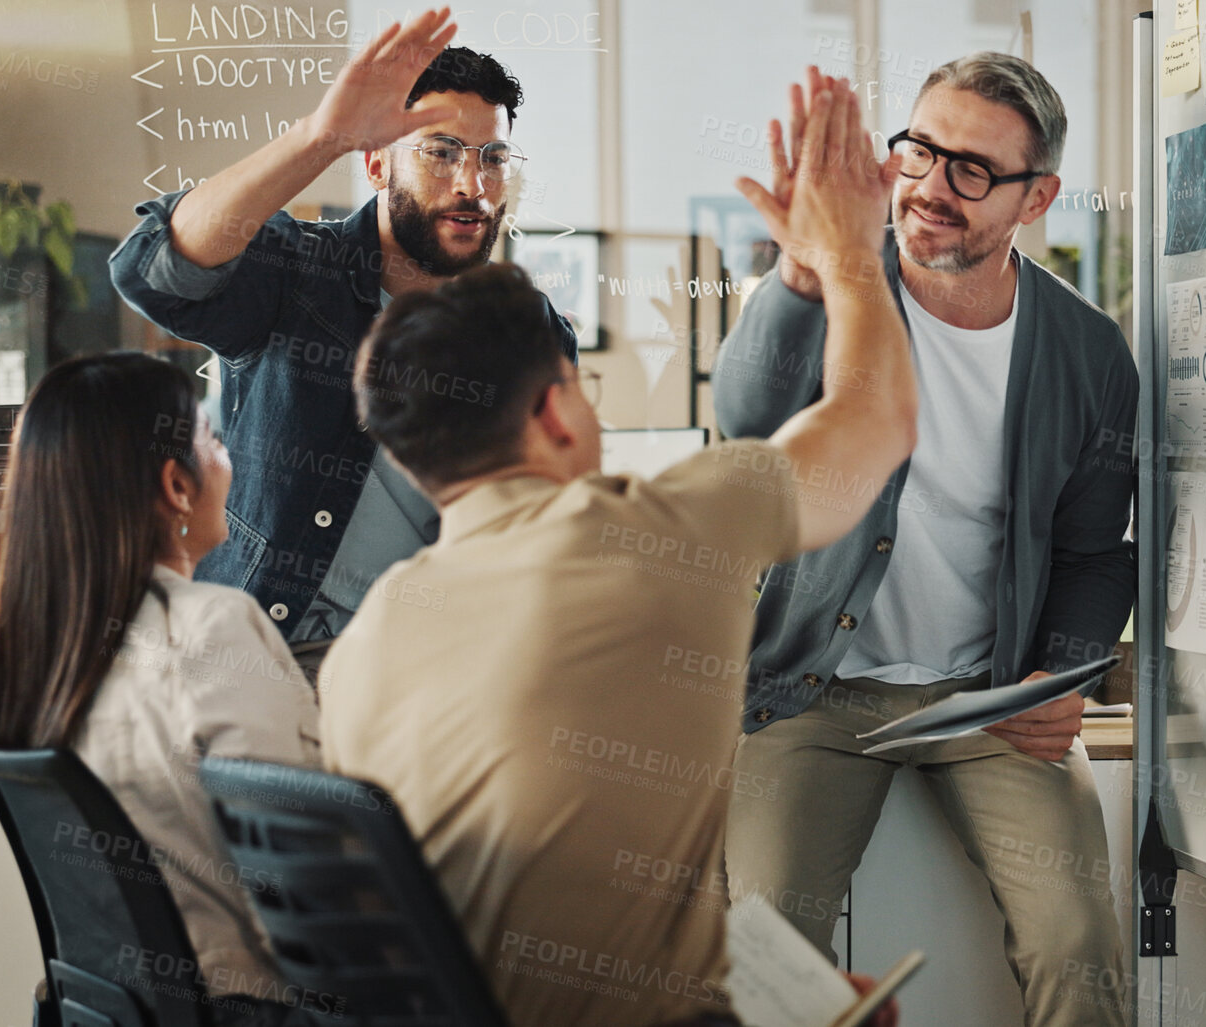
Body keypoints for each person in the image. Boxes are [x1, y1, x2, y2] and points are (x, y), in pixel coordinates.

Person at [318, 77, 908, 1027]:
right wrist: (849, 255)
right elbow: (875, 418)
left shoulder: (367, 640)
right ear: (555, 410)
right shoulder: (658, 533)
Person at [715, 56, 1138, 1026]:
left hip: (986, 696)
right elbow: (747, 413)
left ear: (1039, 200)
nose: (932, 188)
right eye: (920, 150)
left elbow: (1092, 550)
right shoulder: (841, 294)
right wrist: (801, 272)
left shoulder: (1088, 353)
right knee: (769, 949)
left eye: (974, 170)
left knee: (1077, 940)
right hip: (806, 691)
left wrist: (1061, 677)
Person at [110, 9, 577, 677]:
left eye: (492, 158)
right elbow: (150, 270)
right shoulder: (299, 273)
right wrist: (321, 136)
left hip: (448, 669)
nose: (472, 185)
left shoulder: (530, 331)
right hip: (274, 657)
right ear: (377, 165)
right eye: (441, 152)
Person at [0, 352, 322, 1024]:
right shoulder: (212, 628)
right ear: (176, 485)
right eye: (213, 439)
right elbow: (300, 899)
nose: (227, 459)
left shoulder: (31, 655)